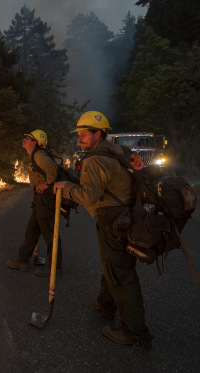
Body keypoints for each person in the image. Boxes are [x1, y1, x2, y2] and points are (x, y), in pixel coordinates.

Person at [54, 111, 154, 351]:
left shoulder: (95, 159)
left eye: (84, 134)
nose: (79, 138)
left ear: (98, 133)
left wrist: (65, 186)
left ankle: (135, 333)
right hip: (129, 216)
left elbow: (88, 195)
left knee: (120, 271)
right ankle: (105, 304)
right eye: (78, 134)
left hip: (112, 219)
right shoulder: (118, 152)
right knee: (115, 264)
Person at [6, 130, 63, 277]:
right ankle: (22, 261)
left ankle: (55, 267)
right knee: (31, 230)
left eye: (29, 138)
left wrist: (47, 183)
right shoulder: (34, 155)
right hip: (40, 199)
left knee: (50, 233)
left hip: (46, 198)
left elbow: (53, 169)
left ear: (35, 142)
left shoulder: (39, 155)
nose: (25, 139)